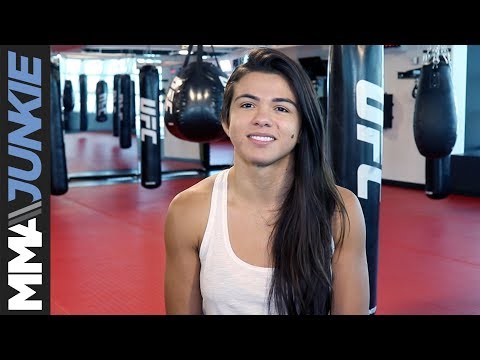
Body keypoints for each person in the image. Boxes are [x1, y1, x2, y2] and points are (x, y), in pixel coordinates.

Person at [164, 47, 370, 315]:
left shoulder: (340, 210)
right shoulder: (189, 211)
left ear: (301, 127)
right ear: (226, 121)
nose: (262, 119)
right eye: (247, 105)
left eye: (281, 108)